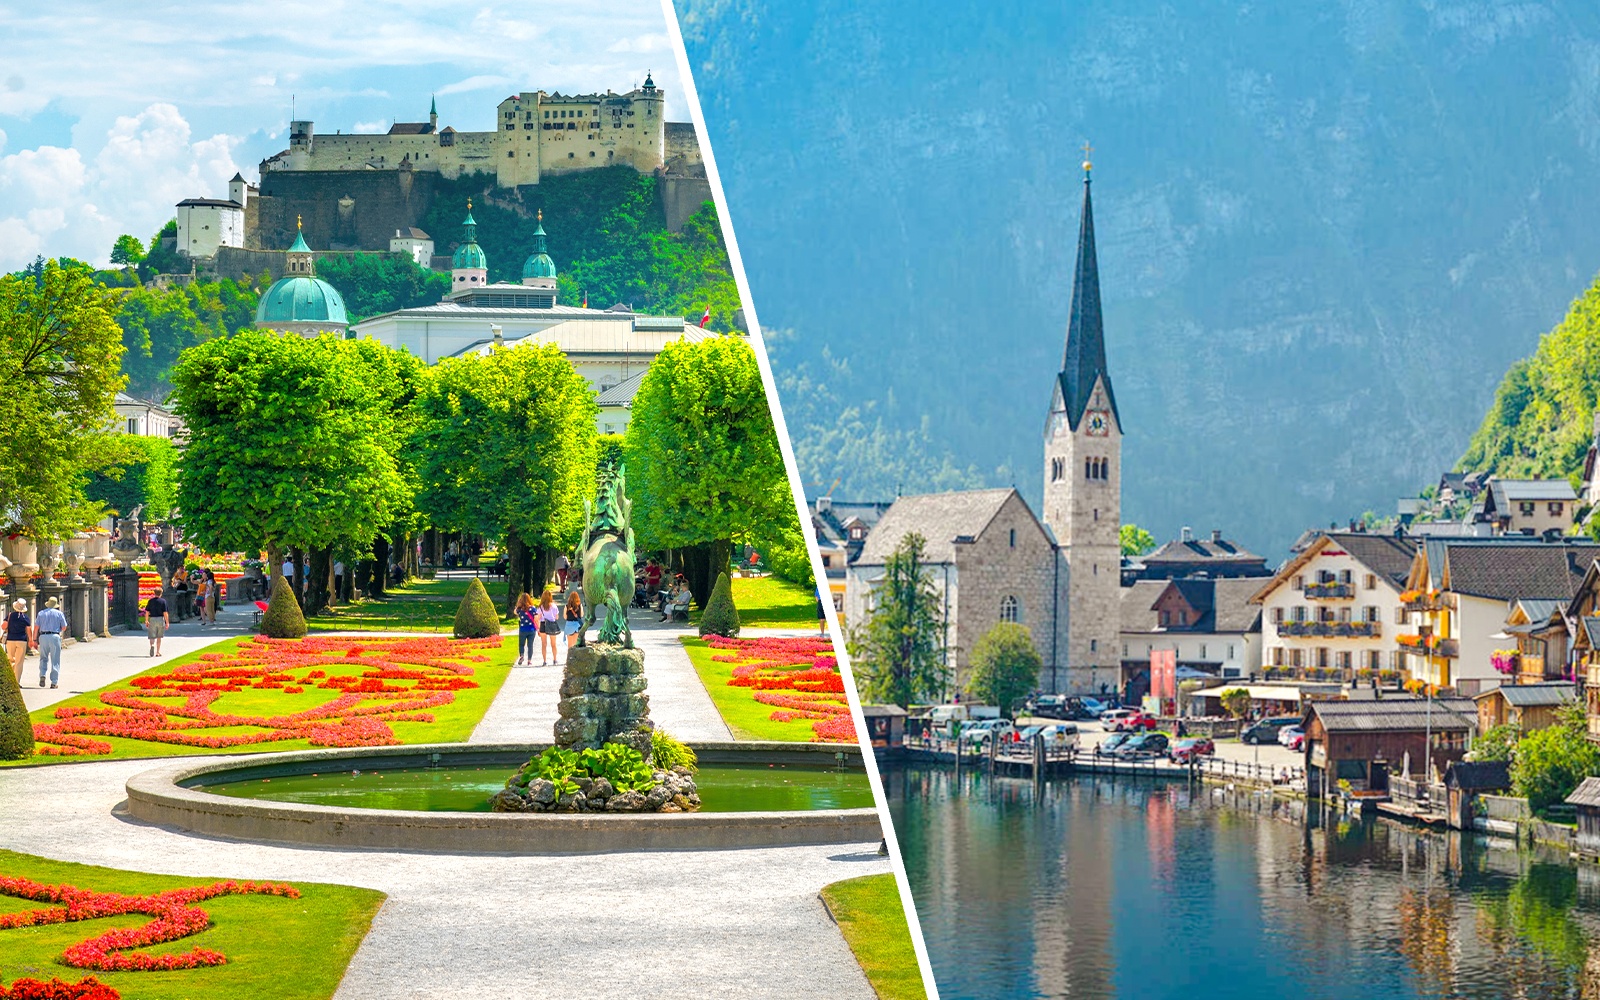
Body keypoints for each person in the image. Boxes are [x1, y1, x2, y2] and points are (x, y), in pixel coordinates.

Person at [33, 596, 66, 689]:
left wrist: (34, 640)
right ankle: (54, 682)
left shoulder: (41, 613)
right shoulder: (59, 614)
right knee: (55, 659)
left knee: (43, 657)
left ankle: (42, 675)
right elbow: (64, 627)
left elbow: (36, 628)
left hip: (43, 636)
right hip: (54, 636)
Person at [5, 599, 31, 681]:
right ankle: (17, 681)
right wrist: (31, 640)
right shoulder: (25, 618)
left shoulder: (10, 616)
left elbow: (3, 626)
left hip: (10, 640)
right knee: (19, 662)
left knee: (11, 659)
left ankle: (11, 679)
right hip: (21, 640)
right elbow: (28, 630)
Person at [537, 589, 563, 665]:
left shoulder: (540, 607)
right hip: (552, 624)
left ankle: (545, 661)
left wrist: (538, 628)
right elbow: (557, 617)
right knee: (553, 644)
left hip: (543, 624)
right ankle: (555, 659)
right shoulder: (553, 606)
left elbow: (538, 617)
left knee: (544, 644)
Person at [513, 592, 537, 667]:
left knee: (521, 644)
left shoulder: (520, 609)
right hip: (531, 629)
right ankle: (529, 661)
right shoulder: (533, 608)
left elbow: (515, 612)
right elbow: (536, 619)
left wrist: (518, 605)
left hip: (523, 629)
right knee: (530, 645)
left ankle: (522, 656)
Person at [144, 590, 169, 657]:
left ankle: (152, 645)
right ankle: (157, 652)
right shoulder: (163, 601)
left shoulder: (151, 601)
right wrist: (167, 622)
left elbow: (147, 612)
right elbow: (165, 613)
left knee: (152, 636)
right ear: (161, 593)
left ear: (154, 593)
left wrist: (146, 620)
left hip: (152, 619)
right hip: (160, 619)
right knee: (159, 636)